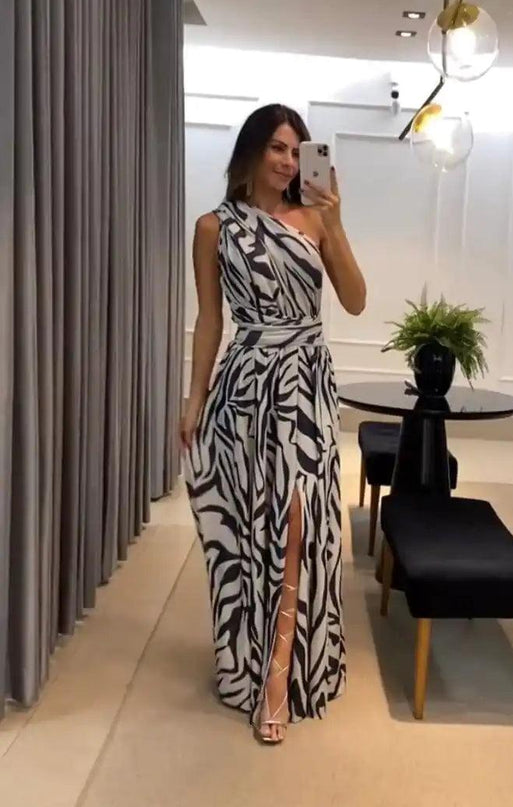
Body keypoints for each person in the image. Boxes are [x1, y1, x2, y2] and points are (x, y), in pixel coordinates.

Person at [180, 104, 366, 744]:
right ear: (253, 151)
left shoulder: (315, 218)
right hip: (247, 388)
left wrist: (335, 223)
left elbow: (356, 300)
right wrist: (194, 400)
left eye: (297, 150)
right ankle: (252, 659)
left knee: (298, 521)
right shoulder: (213, 227)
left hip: (305, 385)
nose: (289, 162)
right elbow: (210, 320)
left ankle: (281, 676)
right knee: (248, 525)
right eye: (278, 149)